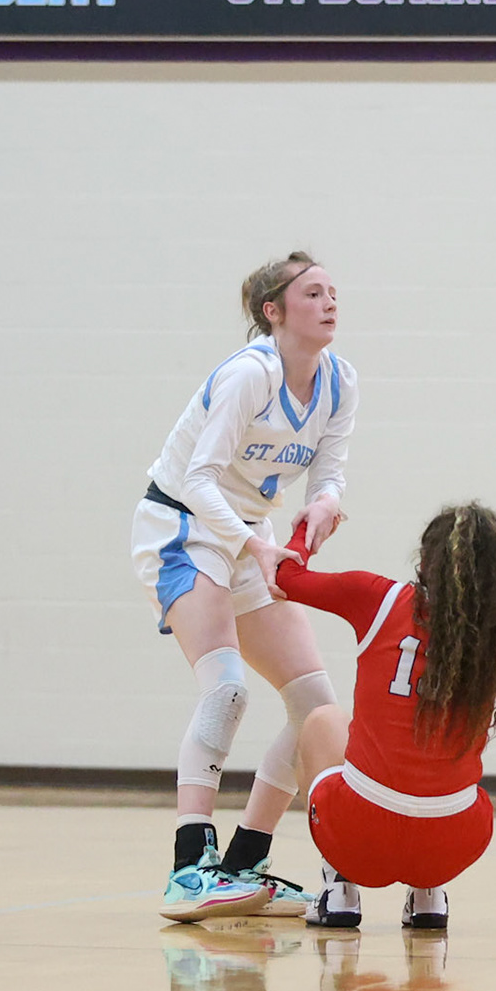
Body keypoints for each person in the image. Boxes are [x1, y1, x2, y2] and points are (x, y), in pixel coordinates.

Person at [276, 501, 496, 929]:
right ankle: (428, 895)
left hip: (359, 836)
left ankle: (340, 886)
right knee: (452, 788)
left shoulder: (377, 597)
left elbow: (285, 578)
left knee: (321, 720)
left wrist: (308, 530)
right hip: (452, 843)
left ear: (424, 562)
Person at [132, 253, 355, 923]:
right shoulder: (248, 375)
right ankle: (188, 870)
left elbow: (329, 472)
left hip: (247, 535)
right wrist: (253, 544)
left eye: (332, 292)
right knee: (227, 686)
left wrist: (325, 504)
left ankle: (243, 862)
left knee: (316, 706)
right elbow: (199, 480)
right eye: (312, 292)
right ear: (274, 311)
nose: (329, 301)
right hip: (182, 526)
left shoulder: (339, 380)